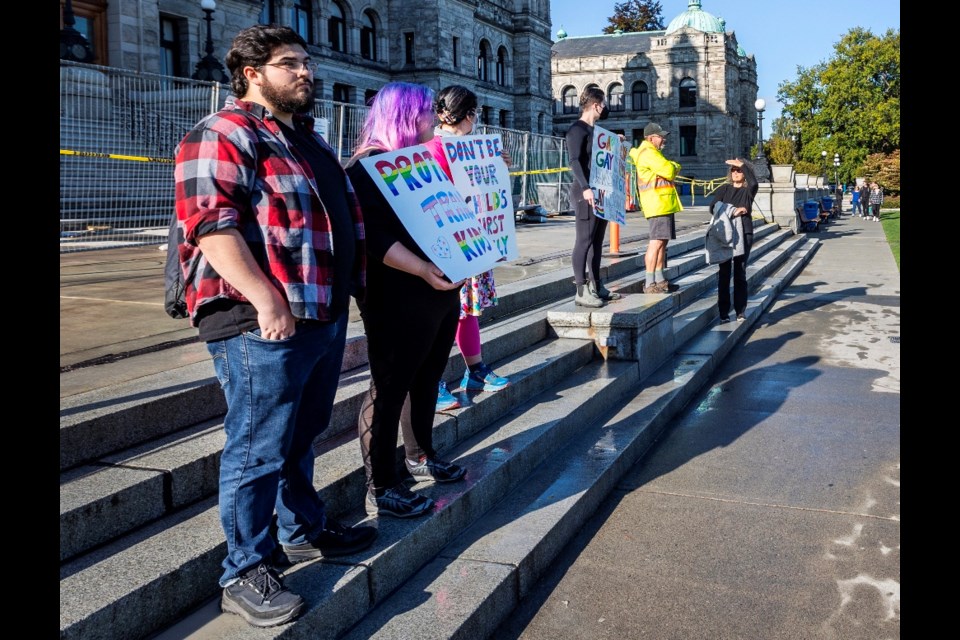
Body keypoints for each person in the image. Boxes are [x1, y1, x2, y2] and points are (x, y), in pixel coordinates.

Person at [173, 25, 377, 628]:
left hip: (320, 310)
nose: (305, 72)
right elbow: (212, 227)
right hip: (258, 317)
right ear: (251, 74)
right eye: (289, 63)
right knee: (258, 444)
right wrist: (266, 299)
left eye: (306, 62)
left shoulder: (307, 140)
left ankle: (302, 528)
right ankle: (244, 569)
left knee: (302, 431)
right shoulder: (224, 132)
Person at [344, 82, 467, 520]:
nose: (433, 120)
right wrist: (420, 269)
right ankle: (380, 484)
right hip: (394, 295)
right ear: (402, 116)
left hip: (438, 290)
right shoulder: (366, 167)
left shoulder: (419, 161)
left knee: (427, 376)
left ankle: (420, 454)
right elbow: (372, 238)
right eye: (424, 113)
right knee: (391, 385)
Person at [424, 85, 510, 412]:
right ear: (469, 114)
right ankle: (432, 379)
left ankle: (475, 369)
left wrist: (499, 168)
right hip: (447, 247)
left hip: (471, 242)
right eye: (475, 114)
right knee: (445, 314)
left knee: (467, 310)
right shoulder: (432, 149)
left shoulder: (471, 147)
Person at [566, 86, 623, 307]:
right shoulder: (576, 130)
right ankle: (580, 289)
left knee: (597, 242)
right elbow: (575, 161)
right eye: (604, 103)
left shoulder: (597, 132)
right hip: (585, 194)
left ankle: (596, 284)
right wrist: (585, 187)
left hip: (601, 193)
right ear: (596, 105)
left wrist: (614, 141)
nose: (606, 107)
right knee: (584, 241)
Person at [629, 122, 683, 293]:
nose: (663, 139)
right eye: (661, 136)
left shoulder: (649, 152)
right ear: (651, 138)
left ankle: (659, 280)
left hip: (662, 204)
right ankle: (649, 282)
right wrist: (675, 166)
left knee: (662, 243)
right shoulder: (649, 153)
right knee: (656, 243)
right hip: (658, 204)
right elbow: (668, 170)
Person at [709, 159, 759, 323]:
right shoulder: (724, 188)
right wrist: (732, 211)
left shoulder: (748, 191)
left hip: (744, 232)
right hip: (725, 235)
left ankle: (740, 311)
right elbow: (713, 206)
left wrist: (743, 164)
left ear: (744, 173)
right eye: (733, 170)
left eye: (739, 170)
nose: (735, 173)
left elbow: (754, 182)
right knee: (724, 273)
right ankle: (724, 312)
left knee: (740, 272)